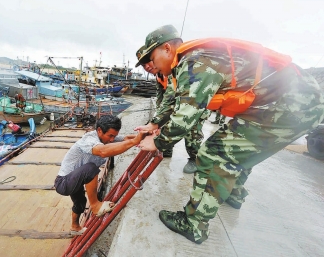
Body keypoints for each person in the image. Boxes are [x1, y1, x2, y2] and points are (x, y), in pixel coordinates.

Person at [135, 24, 324, 244]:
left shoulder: (195, 62)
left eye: (151, 58)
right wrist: (155, 124)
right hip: (294, 103)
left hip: (290, 106)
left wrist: (158, 142)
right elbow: (177, 100)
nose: (151, 65)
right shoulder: (189, 61)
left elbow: (185, 117)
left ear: (167, 48)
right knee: (238, 150)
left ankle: (194, 224)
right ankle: (233, 194)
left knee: (213, 154)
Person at [54, 115, 147, 235]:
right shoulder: (89, 140)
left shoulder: (106, 138)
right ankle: (95, 206)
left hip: (77, 179)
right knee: (91, 168)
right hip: (64, 182)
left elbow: (126, 139)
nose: (112, 139)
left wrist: (144, 136)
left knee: (80, 203)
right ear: (99, 131)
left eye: (114, 135)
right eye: (110, 136)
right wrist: (135, 141)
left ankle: (75, 227)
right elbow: (102, 151)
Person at [135, 46, 210, 173]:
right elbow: (161, 97)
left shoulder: (173, 70)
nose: (146, 67)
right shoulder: (159, 75)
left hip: (194, 106)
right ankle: (167, 149)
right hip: (175, 105)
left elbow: (171, 97)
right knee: (164, 125)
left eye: (148, 61)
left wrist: (156, 123)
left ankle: (194, 158)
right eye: (143, 65)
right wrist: (157, 120)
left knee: (191, 133)